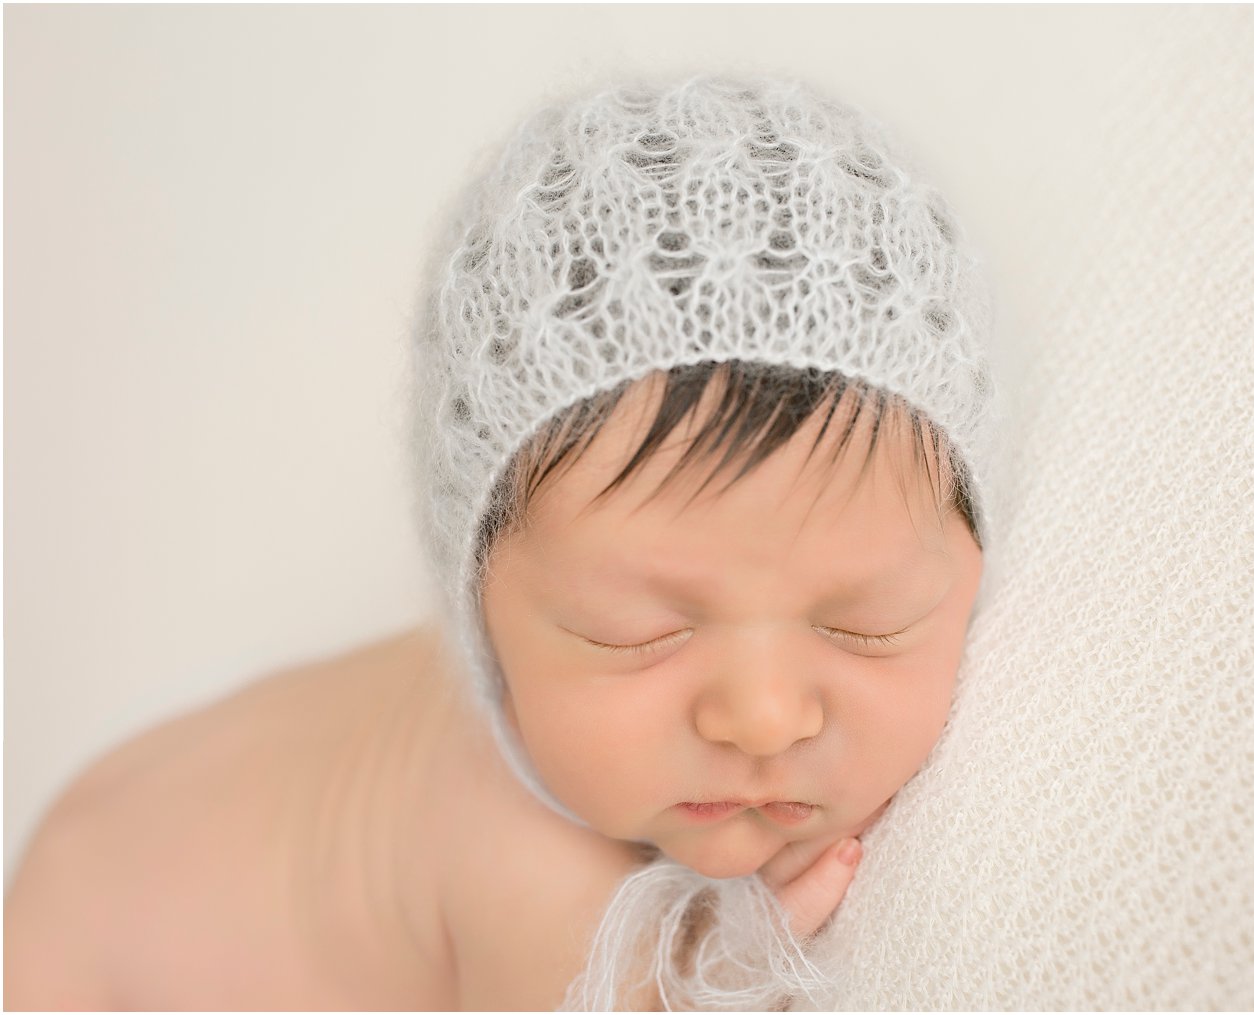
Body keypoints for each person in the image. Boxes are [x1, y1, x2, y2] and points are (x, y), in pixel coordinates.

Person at [4, 70, 1008, 1010]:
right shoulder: (531, 868)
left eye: (867, 623)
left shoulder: (571, 667)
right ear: (476, 606)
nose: (761, 715)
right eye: (633, 631)